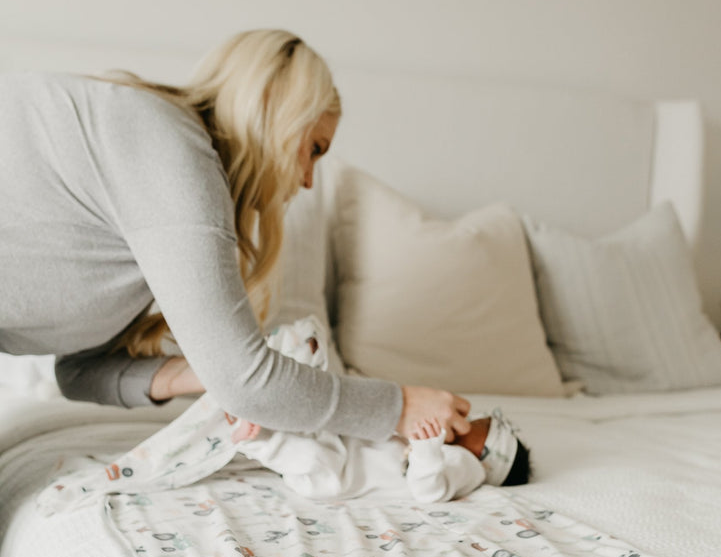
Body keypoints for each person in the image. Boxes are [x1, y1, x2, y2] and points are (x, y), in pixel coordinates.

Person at [0, 30, 471, 443]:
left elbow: (80, 372)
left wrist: (207, 373)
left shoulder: (151, 174)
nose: (309, 181)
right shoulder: (169, 149)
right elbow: (248, 383)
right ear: (275, 109)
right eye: (314, 149)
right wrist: (401, 407)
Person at [42, 317, 532, 510]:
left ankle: (255, 436)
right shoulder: (459, 451)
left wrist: (426, 447)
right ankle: (253, 427)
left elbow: (430, 491)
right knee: (309, 431)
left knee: (305, 457)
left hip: (337, 480)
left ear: (488, 452)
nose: (468, 425)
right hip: (347, 450)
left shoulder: (467, 469)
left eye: (481, 428)